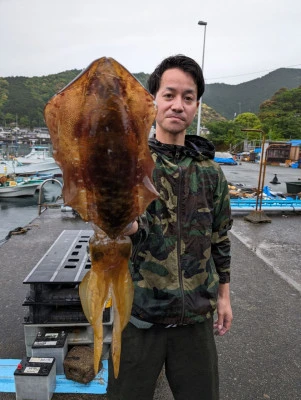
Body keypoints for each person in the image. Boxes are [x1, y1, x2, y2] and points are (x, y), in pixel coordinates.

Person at [107, 54, 233, 400]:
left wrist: (224, 296)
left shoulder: (210, 172)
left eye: (188, 97)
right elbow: (122, 233)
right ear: (154, 101)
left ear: (194, 106)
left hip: (195, 318)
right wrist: (126, 226)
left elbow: (220, 237)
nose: (178, 105)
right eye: (169, 95)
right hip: (139, 315)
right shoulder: (131, 164)